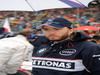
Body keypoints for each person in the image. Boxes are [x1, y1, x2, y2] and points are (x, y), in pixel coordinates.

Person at [32, 18, 100, 75]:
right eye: (46, 29)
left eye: (57, 29)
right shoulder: (41, 47)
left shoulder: (89, 48)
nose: (51, 32)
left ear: (70, 30)